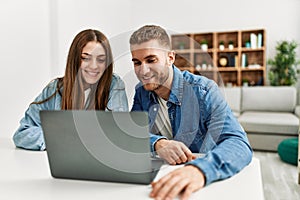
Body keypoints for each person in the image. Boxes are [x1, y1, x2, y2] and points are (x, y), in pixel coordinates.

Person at [129, 25, 252, 200]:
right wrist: (158, 143)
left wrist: (199, 170)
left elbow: (239, 143)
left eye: (151, 60)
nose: (143, 70)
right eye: (137, 62)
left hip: (200, 184)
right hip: (157, 180)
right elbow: (132, 133)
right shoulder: (141, 92)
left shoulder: (203, 91)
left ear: (170, 57)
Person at [13, 29, 129, 151]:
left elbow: (117, 136)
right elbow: (22, 133)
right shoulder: (55, 88)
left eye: (101, 60)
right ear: (75, 60)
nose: (94, 66)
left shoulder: (114, 85)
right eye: (85, 58)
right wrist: (60, 140)